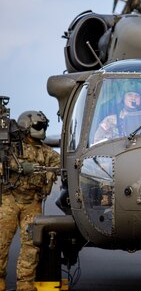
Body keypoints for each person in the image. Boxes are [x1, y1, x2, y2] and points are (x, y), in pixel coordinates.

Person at [0, 111, 60, 291]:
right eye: (37, 126)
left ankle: (25, 283)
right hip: (9, 199)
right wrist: (16, 167)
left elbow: (58, 163)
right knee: (1, 243)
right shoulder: (8, 148)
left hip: (32, 203)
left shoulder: (44, 151)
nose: (41, 130)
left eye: (43, 126)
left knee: (31, 246)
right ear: (26, 127)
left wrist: (51, 171)